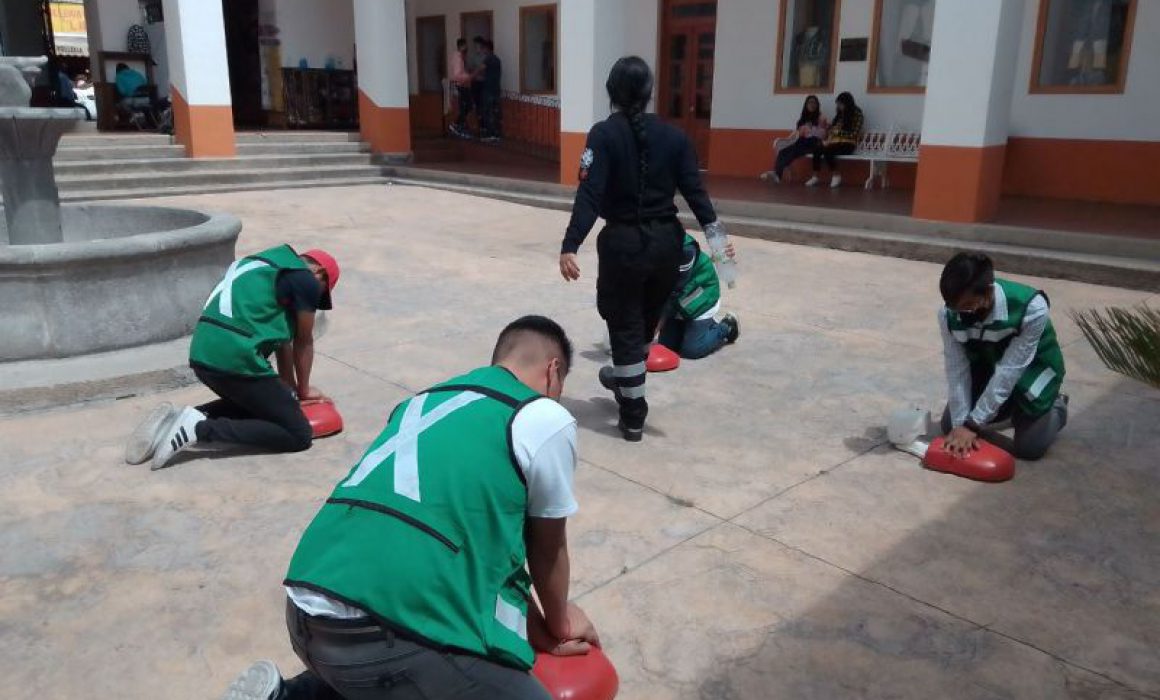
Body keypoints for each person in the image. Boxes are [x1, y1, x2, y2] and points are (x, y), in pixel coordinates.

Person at [220, 316, 601, 700]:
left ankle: (288, 695)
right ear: (553, 372)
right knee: (418, 659)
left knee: (386, 668)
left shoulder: (423, 401)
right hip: (380, 640)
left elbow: (485, 562)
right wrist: (560, 623)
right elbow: (548, 549)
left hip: (306, 610)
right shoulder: (542, 416)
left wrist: (533, 623)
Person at [559, 56, 724, 442]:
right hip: (667, 244)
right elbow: (697, 196)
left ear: (611, 93)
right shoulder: (676, 138)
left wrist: (571, 245)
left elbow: (590, 194)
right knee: (642, 325)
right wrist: (718, 241)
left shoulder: (603, 135)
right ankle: (624, 379)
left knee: (625, 325)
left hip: (623, 246)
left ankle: (634, 414)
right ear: (650, 94)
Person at [125, 246, 341, 470]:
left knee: (266, 405)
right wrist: (305, 390)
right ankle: (198, 429)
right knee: (297, 434)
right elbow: (304, 341)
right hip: (235, 359)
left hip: (203, 356)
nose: (314, 302)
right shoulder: (304, 280)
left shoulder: (265, 266)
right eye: (321, 294)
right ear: (320, 274)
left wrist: (290, 392)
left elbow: (283, 343)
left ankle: (181, 417)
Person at [938, 252, 1069, 461]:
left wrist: (973, 424)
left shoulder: (1032, 308)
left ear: (988, 293)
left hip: (1031, 376)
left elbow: (1010, 370)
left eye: (968, 306)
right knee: (948, 426)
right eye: (956, 307)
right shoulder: (947, 314)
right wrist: (960, 425)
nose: (960, 314)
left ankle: (1057, 407)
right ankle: (1007, 411)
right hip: (989, 368)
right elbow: (956, 368)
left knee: (1029, 448)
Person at [654, 232, 740, 359]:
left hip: (700, 300)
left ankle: (726, 326)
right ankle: (686, 328)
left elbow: (670, 297)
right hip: (678, 304)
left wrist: (653, 329)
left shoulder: (685, 248)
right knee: (667, 346)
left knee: (692, 350)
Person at [760, 94, 828, 183]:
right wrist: (804, 131)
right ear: (806, 105)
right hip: (801, 142)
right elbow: (799, 133)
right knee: (783, 151)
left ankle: (776, 174)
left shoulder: (821, 118)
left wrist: (810, 130)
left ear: (817, 105)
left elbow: (823, 134)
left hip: (814, 143)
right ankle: (777, 175)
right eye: (809, 103)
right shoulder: (803, 118)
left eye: (814, 103)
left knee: (794, 150)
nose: (812, 105)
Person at [806, 91, 863, 188]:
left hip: (848, 144)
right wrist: (829, 129)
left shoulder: (857, 115)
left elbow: (854, 134)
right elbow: (833, 129)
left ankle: (836, 175)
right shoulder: (839, 116)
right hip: (834, 141)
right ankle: (815, 176)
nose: (839, 107)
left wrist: (838, 132)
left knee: (828, 150)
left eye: (840, 105)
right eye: (838, 105)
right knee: (817, 148)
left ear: (847, 103)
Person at [449, 37, 474, 138]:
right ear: (461, 46)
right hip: (462, 85)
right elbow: (457, 75)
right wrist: (468, 76)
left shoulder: (460, 57)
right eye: (465, 45)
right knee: (465, 106)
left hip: (463, 85)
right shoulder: (458, 59)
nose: (467, 48)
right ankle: (458, 126)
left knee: (468, 106)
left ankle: (457, 124)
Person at [478, 39, 503, 142]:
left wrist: (469, 77)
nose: (482, 50)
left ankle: (490, 134)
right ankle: (497, 134)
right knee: (496, 112)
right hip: (496, 89)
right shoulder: (497, 59)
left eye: (483, 48)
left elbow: (480, 69)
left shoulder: (488, 59)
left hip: (488, 89)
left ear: (487, 49)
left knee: (487, 112)